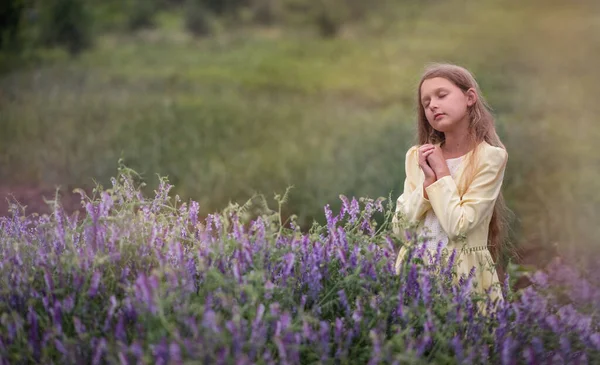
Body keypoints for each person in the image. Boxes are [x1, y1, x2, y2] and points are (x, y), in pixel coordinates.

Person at [392, 63, 511, 307]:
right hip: (415, 275)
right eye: (426, 103)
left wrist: (442, 174)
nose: (433, 105)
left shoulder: (490, 157)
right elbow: (400, 229)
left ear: (469, 98)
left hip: (465, 280)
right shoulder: (417, 156)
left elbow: (458, 225)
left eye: (441, 95)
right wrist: (426, 185)